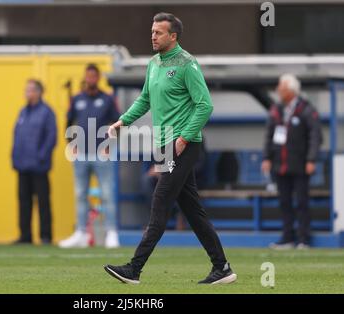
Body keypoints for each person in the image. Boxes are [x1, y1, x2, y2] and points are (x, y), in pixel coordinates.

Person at [104, 12, 236, 285]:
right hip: (164, 145)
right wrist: (122, 121)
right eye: (152, 31)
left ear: (173, 36)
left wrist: (185, 137)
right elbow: (145, 99)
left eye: (158, 32)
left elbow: (205, 105)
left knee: (160, 200)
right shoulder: (153, 64)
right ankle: (221, 267)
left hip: (182, 146)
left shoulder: (187, 64)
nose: (152, 35)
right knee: (192, 210)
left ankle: (134, 268)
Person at [58, 64, 121, 249]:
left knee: (107, 193)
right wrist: (72, 146)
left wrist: (110, 145)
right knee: (80, 194)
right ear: (85, 78)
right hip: (81, 155)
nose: (91, 79)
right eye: (88, 76)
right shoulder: (77, 99)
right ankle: (81, 233)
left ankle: (111, 233)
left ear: (98, 78)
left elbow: (118, 124)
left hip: (102, 154)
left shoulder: (108, 99)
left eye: (94, 76)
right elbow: (68, 123)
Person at [262, 74, 322, 249]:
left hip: (301, 165)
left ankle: (304, 239)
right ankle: (288, 237)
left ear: (291, 91)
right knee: (284, 202)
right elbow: (269, 135)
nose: (278, 91)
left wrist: (311, 159)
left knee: (302, 202)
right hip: (280, 165)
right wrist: (267, 157)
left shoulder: (307, 109)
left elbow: (315, 137)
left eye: (281, 88)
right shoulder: (276, 109)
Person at [12, 79, 57, 244]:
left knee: (43, 201)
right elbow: (17, 135)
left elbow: (51, 137)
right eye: (26, 90)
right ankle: (25, 236)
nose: (27, 93)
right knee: (24, 202)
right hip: (22, 165)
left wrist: (41, 156)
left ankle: (46, 236)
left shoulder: (46, 112)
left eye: (30, 90)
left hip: (39, 166)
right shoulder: (23, 112)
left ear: (39, 92)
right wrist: (14, 156)